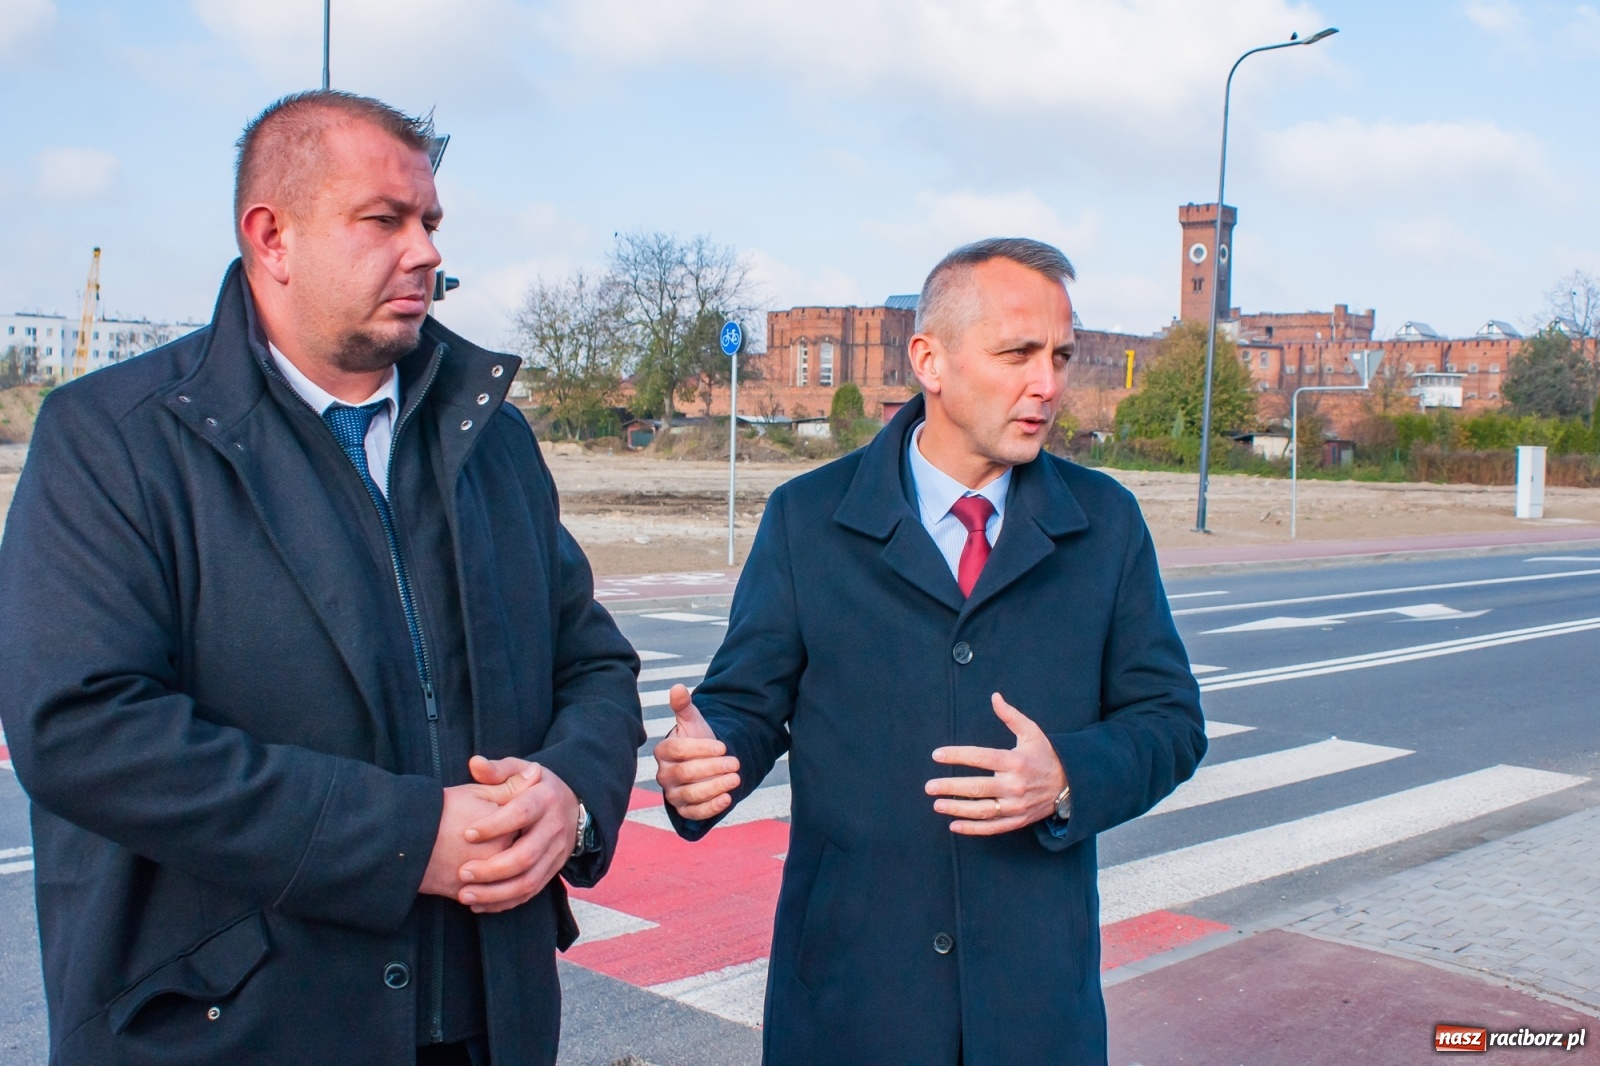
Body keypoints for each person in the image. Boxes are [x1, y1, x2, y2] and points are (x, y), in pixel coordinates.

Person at [0, 91, 644, 1066]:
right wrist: (403, 837)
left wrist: (571, 794)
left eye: (429, 221)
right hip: (241, 1027)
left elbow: (591, 661)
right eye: (383, 219)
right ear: (273, 237)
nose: (424, 249)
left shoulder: (494, 442)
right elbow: (83, 728)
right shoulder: (113, 439)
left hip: (488, 1022)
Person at [654, 238, 1207, 1065]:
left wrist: (1067, 776)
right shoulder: (808, 518)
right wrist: (707, 759)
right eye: (1016, 353)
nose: (1047, 384)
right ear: (930, 360)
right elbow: (745, 704)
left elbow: (1170, 721)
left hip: (1033, 1009)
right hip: (851, 1003)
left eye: (1060, 355)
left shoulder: (1107, 524)